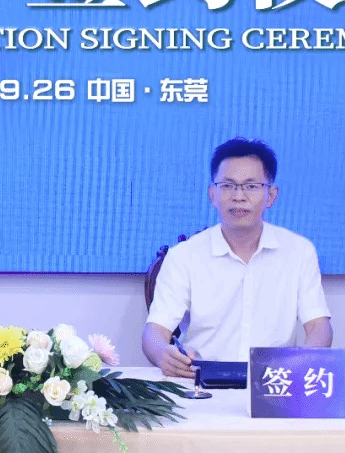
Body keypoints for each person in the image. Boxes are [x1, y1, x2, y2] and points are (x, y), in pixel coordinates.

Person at [142, 137, 332, 378]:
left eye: (251, 186)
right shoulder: (183, 256)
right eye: (228, 185)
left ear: (271, 196)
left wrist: (303, 361)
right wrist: (163, 354)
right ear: (212, 194)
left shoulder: (299, 251)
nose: (238, 196)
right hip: (202, 380)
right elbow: (155, 331)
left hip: (274, 382)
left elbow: (319, 326)